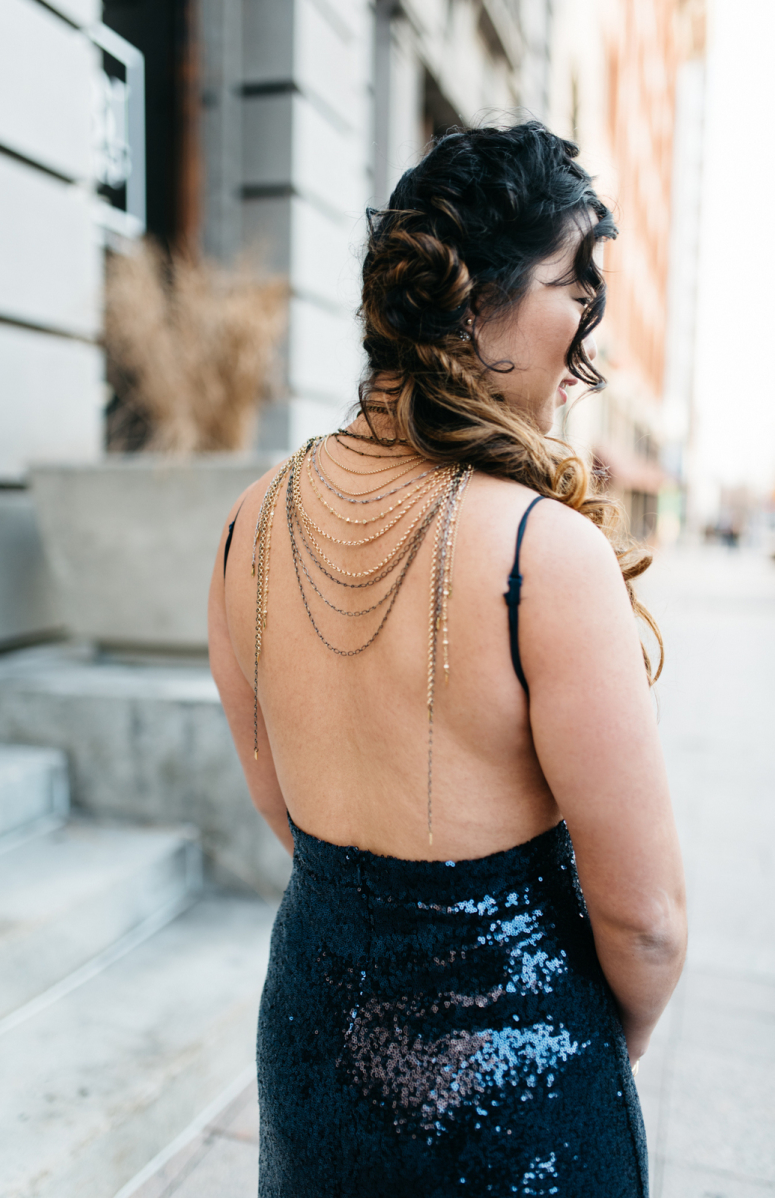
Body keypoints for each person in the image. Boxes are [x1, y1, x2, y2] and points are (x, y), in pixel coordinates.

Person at [209, 121, 687, 1198]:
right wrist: (610, 1041)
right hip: (515, 1091)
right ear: (479, 301)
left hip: (314, 1038)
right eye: (573, 289)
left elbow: (283, 806)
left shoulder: (248, 521)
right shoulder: (538, 551)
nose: (587, 342)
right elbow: (645, 921)